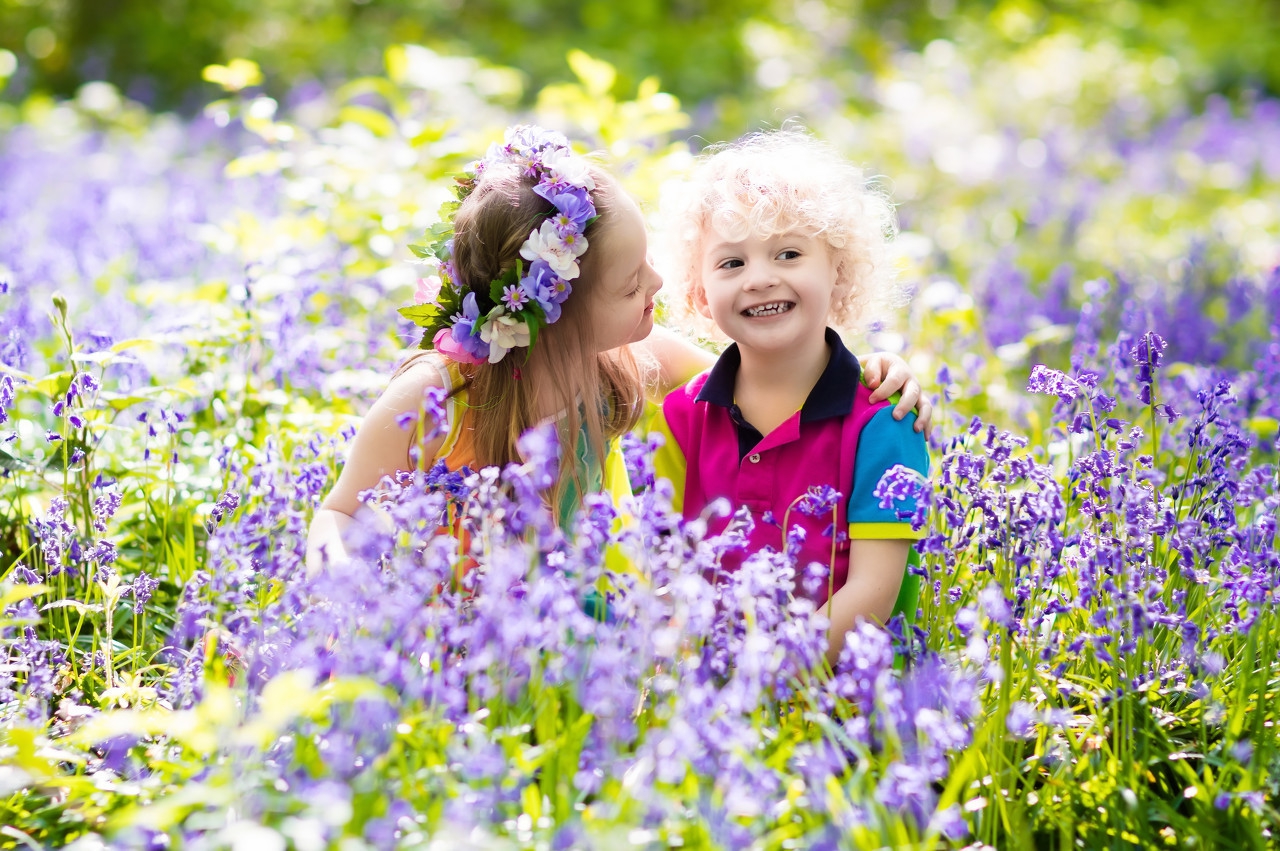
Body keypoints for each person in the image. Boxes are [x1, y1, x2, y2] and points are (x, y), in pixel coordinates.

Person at [306, 125, 928, 573]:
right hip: (446, 641)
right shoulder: (439, 395)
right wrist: (345, 586)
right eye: (632, 285)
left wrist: (873, 374)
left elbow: (771, 379)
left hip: (581, 631)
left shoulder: (619, 362)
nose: (659, 287)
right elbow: (339, 512)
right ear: (560, 316)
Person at [651, 127, 929, 664]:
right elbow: (668, 568)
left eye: (788, 254)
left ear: (838, 271)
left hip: (835, 702)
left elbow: (874, 592)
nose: (759, 278)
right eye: (732, 263)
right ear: (699, 292)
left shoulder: (886, 422)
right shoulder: (685, 415)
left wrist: (765, 674)